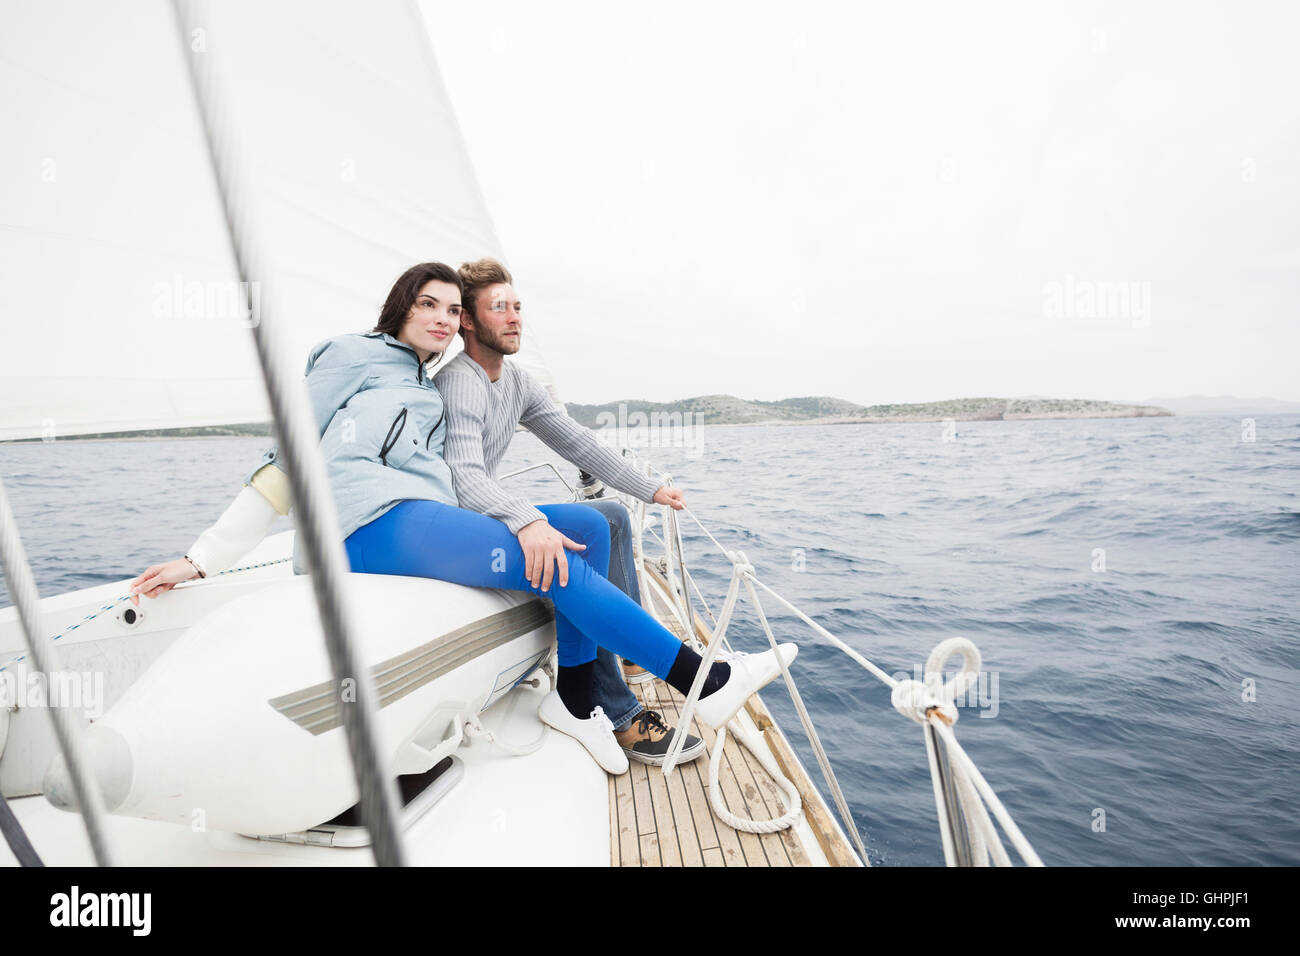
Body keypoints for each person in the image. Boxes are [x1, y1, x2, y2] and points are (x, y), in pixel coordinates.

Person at [129, 262, 797, 777]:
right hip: (361, 526)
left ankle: (573, 696)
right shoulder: (348, 355)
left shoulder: (425, 379)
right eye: (430, 305)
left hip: (418, 516)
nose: (444, 319)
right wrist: (203, 557)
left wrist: (647, 488)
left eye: (452, 309)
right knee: (554, 558)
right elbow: (287, 454)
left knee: (591, 528)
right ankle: (703, 680)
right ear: (400, 305)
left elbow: (563, 446)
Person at [433, 257, 702, 767]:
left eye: (517, 307)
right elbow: (462, 480)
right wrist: (527, 520)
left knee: (614, 516)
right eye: (499, 308)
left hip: (483, 507)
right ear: (467, 320)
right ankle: (615, 709)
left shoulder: (514, 380)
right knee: (589, 525)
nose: (514, 318)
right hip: (458, 520)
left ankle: (622, 646)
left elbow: (575, 440)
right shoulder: (460, 381)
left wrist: (647, 489)